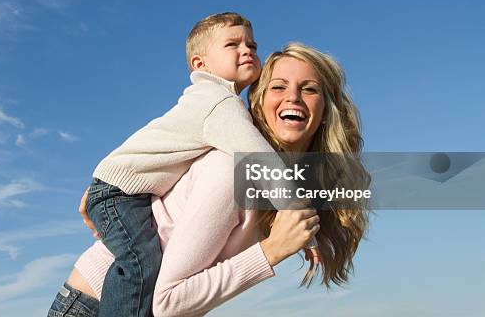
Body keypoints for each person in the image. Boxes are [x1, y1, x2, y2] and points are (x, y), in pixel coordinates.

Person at [48, 42, 369, 316]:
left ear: (326, 108)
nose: (293, 97)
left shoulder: (286, 182)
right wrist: (272, 250)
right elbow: (168, 302)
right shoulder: (231, 169)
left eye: (309, 88)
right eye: (278, 86)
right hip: (94, 305)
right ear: (258, 101)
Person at [68, 12, 309, 317]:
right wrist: (296, 212)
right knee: (138, 262)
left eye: (252, 44)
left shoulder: (216, 108)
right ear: (200, 64)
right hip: (118, 198)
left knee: (139, 261)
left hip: (121, 191)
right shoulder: (219, 105)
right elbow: (259, 159)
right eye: (232, 44)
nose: (247, 50)